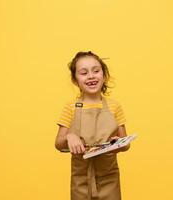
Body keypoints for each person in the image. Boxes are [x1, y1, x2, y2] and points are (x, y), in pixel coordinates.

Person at [55, 51, 130, 200]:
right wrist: (70, 136)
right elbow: (58, 144)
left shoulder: (114, 106)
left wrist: (118, 143)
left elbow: (126, 144)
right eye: (84, 73)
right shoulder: (71, 107)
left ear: (104, 75)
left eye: (96, 71)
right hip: (81, 180)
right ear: (75, 80)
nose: (91, 76)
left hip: (109, 178)